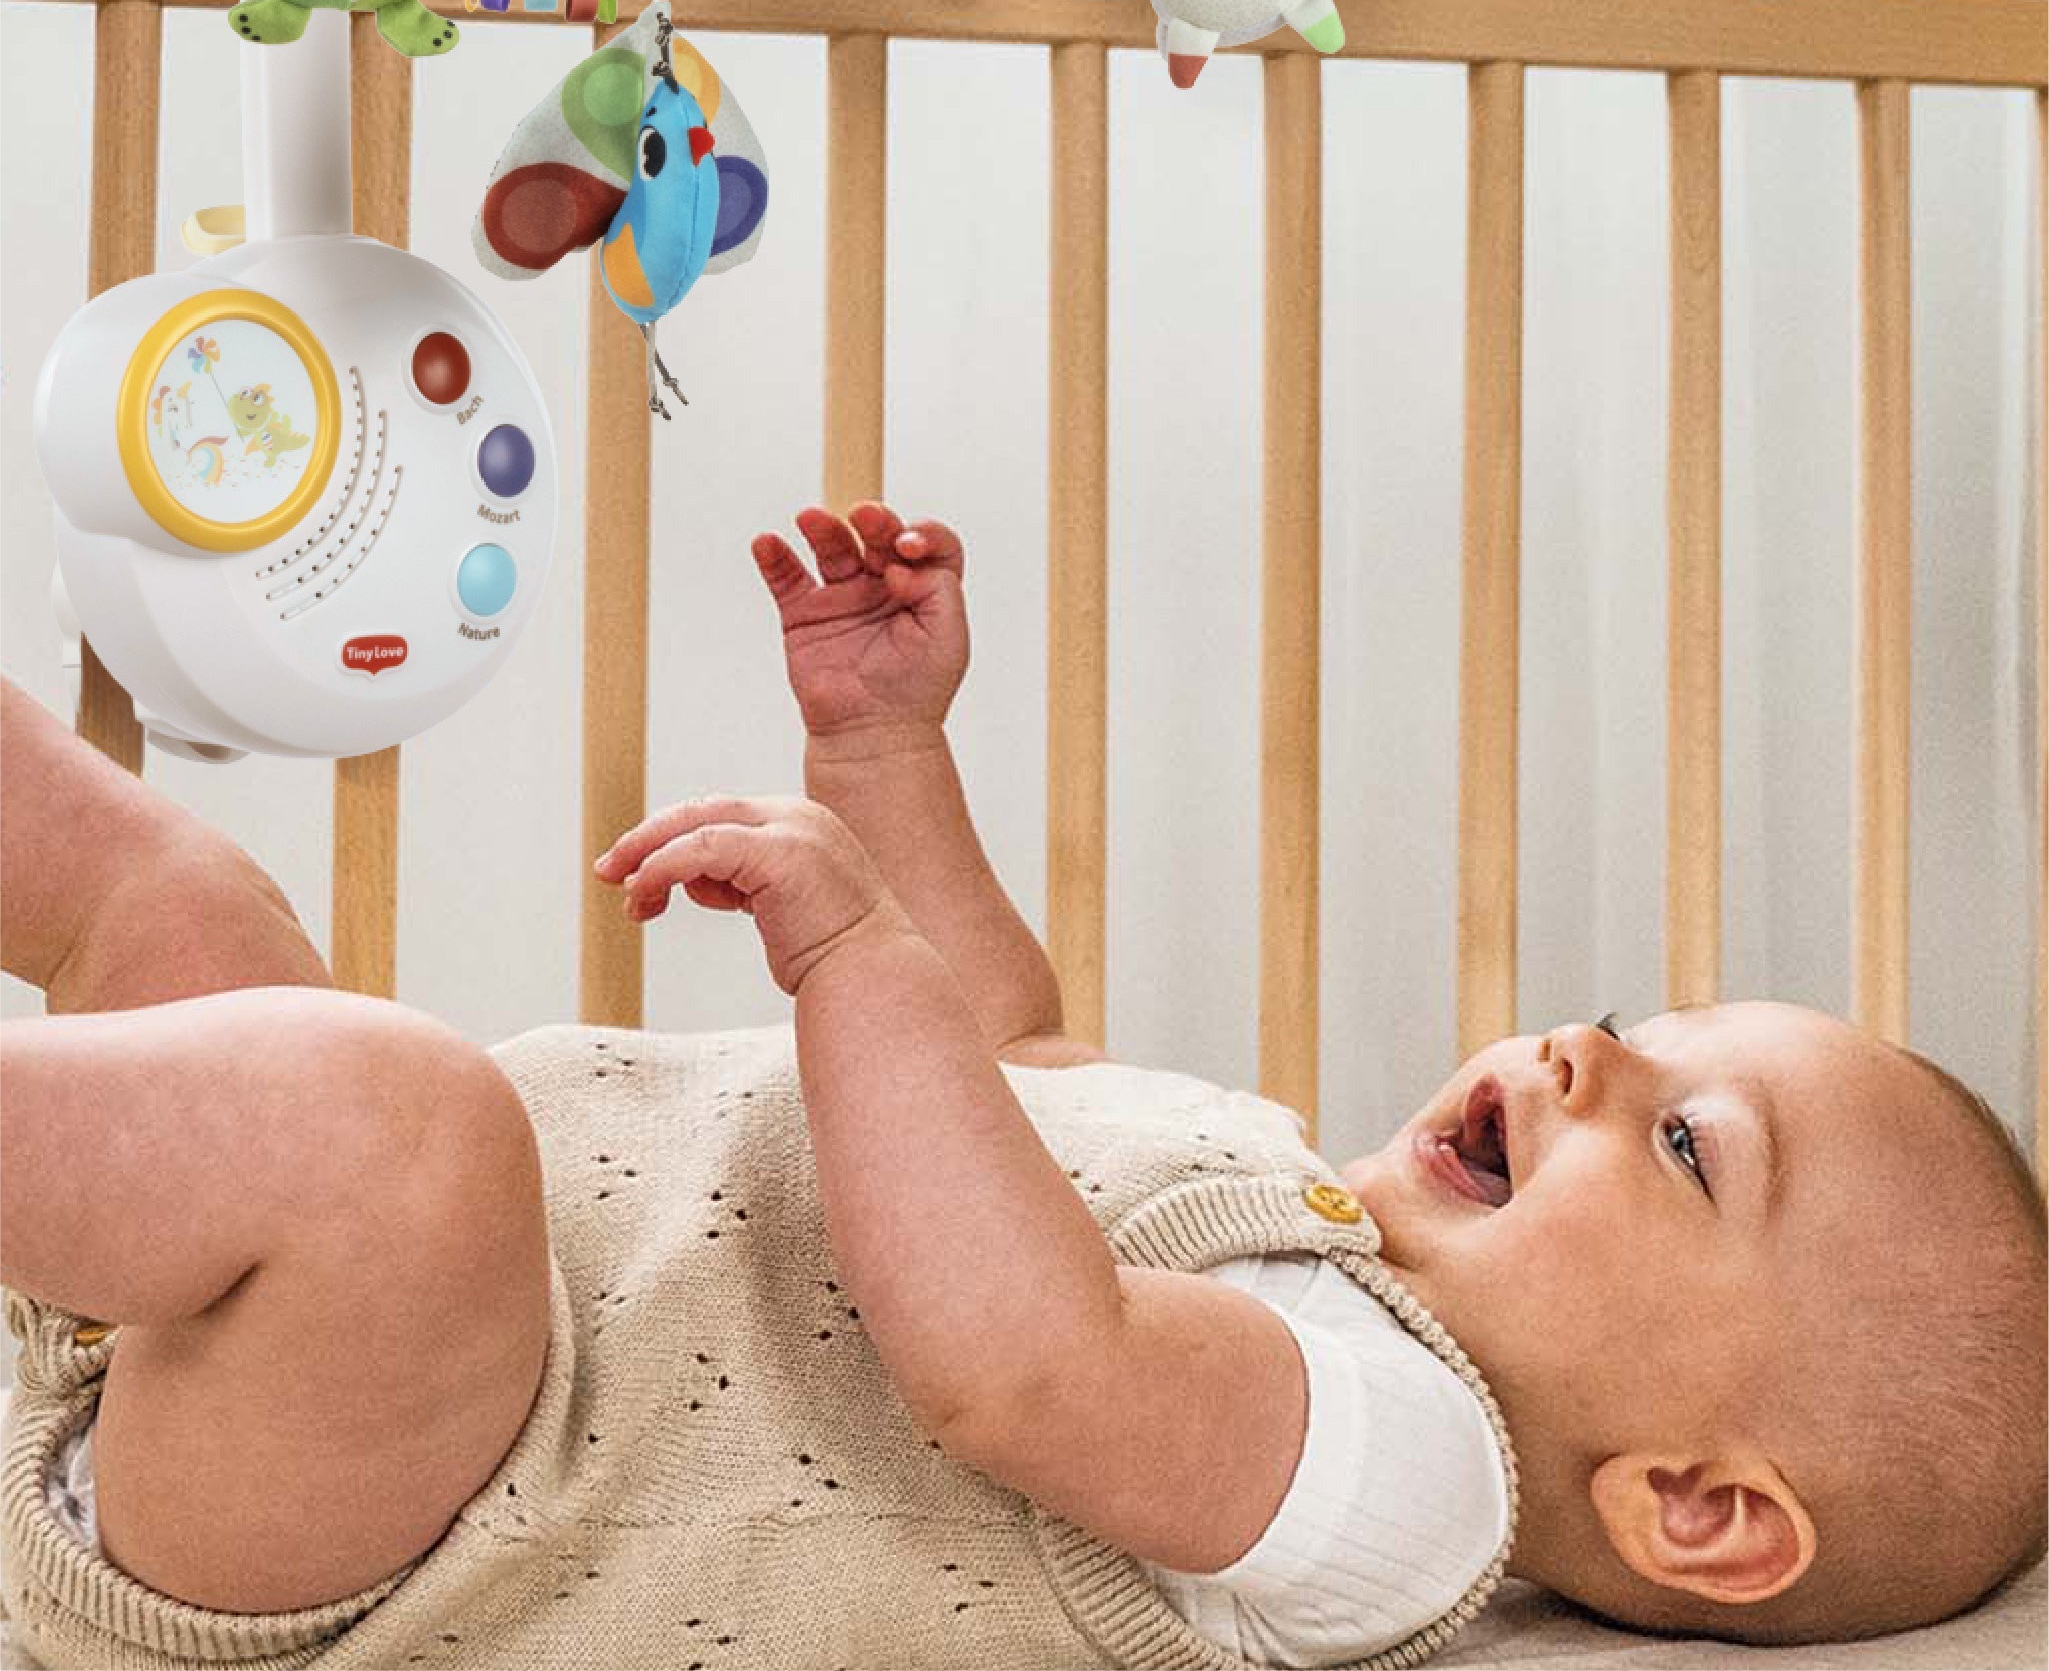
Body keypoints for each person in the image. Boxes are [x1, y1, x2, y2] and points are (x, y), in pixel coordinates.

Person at [1, 502, 2042, 1671]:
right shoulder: (1272, 1205)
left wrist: (846, 956)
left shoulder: (1407, 1485)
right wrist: (888, 753)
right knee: (169, 897)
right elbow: (1013, 1063)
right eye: (1643, 1021)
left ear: (1692, 1506)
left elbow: (1029, 1365)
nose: (1584, 1049)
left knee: (389, 1125)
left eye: (1682, 1140)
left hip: (382, 1535)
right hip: (275, 1360)